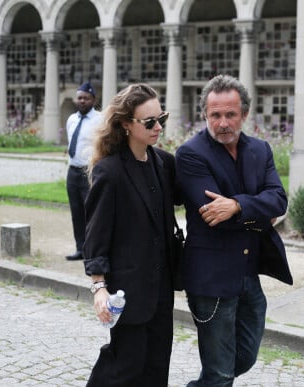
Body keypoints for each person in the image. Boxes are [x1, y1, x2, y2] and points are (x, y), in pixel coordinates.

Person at [175, 74, 293, 386]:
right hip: (210, 278)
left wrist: (238, 206)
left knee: (245, 358)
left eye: (230, 114)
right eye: (215, 115)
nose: (223, 122)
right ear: (205, 115)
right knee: (220, 372)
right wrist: (258, 210)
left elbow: (279, 200)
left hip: (249, 272)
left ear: (244, 114)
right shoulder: (190, 154)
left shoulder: (260, 150)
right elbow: (214, 215)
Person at [82, 83, 181, 386]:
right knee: (124, 369)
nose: (157, 127)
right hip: (128, 292)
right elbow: (96, 235)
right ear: (126, 124)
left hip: (162, 291)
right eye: (148, 122)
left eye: (160, 118)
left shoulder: (164, 163)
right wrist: (99, 287)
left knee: (156, 370)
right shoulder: (110, 172)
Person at [65, 82, 102, 261]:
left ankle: (92, 250)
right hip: (72, 172)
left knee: (91, 213)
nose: (82, 101)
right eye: (79, 98)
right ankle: (80, 248)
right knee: (76, 211)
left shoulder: (100, 120)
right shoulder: (71, 119)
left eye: (86, 98)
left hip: (89, 172)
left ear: (93, 100)